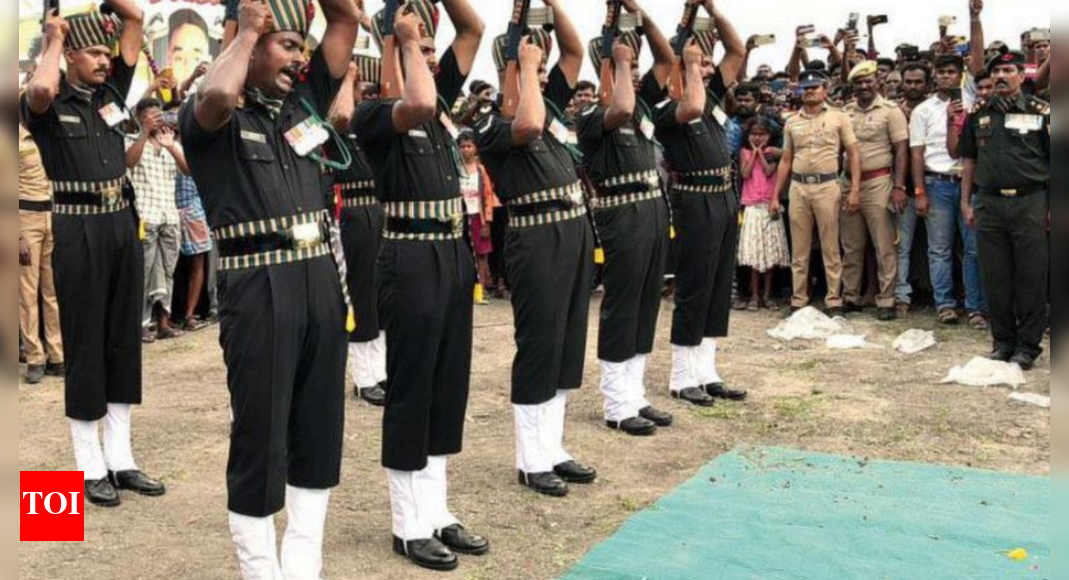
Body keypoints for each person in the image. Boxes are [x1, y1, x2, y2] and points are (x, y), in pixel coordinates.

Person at [179, 0, 360, 577]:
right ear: (250, 47)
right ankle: (261, 570)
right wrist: (249, 26)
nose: (298, 58)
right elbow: (215, 99)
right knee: (261, 431)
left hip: (318, 280)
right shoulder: (211, 114)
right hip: (258, 285)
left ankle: (302, 566)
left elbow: (344, 23)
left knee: (318, 428)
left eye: (299, 48)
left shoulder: (300, 107)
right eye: (286, 44)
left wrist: (291, 33)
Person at [357, 0, 490, 571]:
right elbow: (417, 98)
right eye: (419, 49)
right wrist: (404, 39)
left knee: (447, 386)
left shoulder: (436, 116)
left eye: (433, 52)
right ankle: (408, 524)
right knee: (412, 389)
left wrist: (422, 29)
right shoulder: (380, 115)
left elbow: (474, 28)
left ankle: (436, 509)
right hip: (408, 255)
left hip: (450, 252)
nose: (431, 60)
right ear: (393, 50)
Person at [23, 0, 167, 508]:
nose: (105, 61)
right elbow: (39, 88)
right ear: (68, 57)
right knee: (85, 341)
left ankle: (121, 458)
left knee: (122, 339)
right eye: (92, 53)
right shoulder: (48, 101)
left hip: (120, 220)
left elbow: (134, 21)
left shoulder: (110, 94)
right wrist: (55, 38)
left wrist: (109, 5)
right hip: (77, 224)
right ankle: (87, 467)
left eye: (106, 54)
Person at [477, 0, 600, 498]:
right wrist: (524, 66)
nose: (543, 76)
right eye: (530, 68)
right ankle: (531, 459)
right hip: (535, 236)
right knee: (539, 344)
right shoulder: (490, 124)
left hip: (572, 229)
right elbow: (524, 125)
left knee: (569, 342)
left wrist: (549, 9)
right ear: (507, 71)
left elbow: (573, 50)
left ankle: (554, 447)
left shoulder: (547, 107)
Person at [576, 0, 675, 437]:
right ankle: (616, 402)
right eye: (626, 72)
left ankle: (635, 393)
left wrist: (642, 18)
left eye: (635, 71)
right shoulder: (591, 116)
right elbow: (615, 108)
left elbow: (669, 60)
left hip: (652, 206)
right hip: (621, 210)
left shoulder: (641, 111)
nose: (634, 76)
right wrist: (616, 60)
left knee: (647, 300)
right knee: (623, 302)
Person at [654, 1, 748, 408]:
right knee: (694, 286)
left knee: (717, 286)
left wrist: (711, 9)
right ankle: (681, 376)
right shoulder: (664, 106)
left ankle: (706, 372)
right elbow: (688, 105)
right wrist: (687, 62)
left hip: (724, 196)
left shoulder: (708, 97)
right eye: (699, 63)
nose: (707, 70)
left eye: (708, 64)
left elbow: (738, 50)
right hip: (693, 200)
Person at [960, 50, 1049, 370]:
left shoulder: (1042, 112)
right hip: (990, 204)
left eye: (1007, 71)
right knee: (995, 278)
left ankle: (1027, 346)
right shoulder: (979, 112)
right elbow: (969, 160)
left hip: (1030, 202)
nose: (1000, 76)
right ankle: (1003, 342)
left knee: (1031, 278)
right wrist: (965, 202)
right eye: (996, 71)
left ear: (1021, 75)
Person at [770, 69, 861, 317]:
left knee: (831, 247)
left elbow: (852, 153)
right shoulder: (792, 121)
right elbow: (786, 160)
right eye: (806, 87)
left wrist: (854, 189)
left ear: (825, 89)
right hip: (798, 186)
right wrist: (776, 195)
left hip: (828, 186)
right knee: (799, 249)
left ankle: (834, 299)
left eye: (815, 87)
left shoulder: (839, 117)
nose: (809, 92)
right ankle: (799, 299)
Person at [909, 54, 987, 328]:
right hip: (936, 183)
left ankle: (975, 307)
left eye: (951, 71)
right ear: (935, 76)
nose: (945, 76)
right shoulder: (923, 110)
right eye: (940, 72)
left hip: (970, 183)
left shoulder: (974, 104)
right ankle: (945, 304)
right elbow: (917, 154)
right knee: (939, 249)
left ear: (960, 75)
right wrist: (919, 190)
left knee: (973, 249)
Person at [328, 59, 387, 407]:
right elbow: (340, 117)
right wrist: (348, 76)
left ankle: (377, 370)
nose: (367, 95)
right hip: (352, 211)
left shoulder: (371, 126)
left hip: (378, 210)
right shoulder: (340, 125)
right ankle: (364, 377)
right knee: (362, 292)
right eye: (362, 90)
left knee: (380, 293)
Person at [840, 61, 909, 321]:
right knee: (851, 244)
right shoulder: (845, 112)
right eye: (859, 82)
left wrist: (900, 186)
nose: (864, 86)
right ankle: (850, 296)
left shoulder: (891, 111)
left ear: (877, 82)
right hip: (848, 183)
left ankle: (886, 299)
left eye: (868, 81)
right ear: (853, 86)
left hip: (880, 182)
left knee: (883, 245)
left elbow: (901, 149)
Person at [126, 98, 188, 342]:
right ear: (141, 117)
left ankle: (164, 323)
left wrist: (171, 145)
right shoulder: (132, 141)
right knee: (144, 270)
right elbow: (128, 162)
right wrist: (143, 133)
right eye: (151, 115)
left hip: (169, 216)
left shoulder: (170, 142)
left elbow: (188, 170)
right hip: (145, 217)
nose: (157, 119)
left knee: (168, 271)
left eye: (159, 114)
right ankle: (141, 325)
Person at [18, 120, 64, 385]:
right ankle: (35, 357)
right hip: (25, 218)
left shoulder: (43, 131)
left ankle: (57, 355)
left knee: (52, 292)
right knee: (27, 294)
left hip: (51, 214)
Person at [737, 116, 789, 310]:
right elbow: (745, 174)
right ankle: (754, 295)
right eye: (754, 134)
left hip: (769, 205)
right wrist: (755, 152)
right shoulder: (743, 152)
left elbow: (768, 172)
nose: (757, 137)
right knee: (753, 254)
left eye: (762, 134)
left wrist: (761, 153)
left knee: (770, 254)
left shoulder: (773, 154)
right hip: (751, 206)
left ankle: (768, 295)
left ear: (769, 135)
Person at [893, 63, 931, 316]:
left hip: (935, 185)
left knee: (938, 248)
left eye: (918, 82)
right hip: (902, 189)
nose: (913, 86)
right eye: (909, 81)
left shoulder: (936, 110)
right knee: (902, 247)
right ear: (902, 83)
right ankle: (901, 297)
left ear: (927, 84)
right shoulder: (892, 111)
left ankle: (940, 297)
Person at [458, 129, 499, 304]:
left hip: (478, 216)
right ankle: (462, 290)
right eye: (462, 146)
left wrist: (486, 223)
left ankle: (480, 290)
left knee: (482, 255)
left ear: (475, 148)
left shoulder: (482, 170)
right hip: (459, 217)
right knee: (461, 254)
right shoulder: (455, 168)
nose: (466, 149)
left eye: (469, 145)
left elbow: (488, 196)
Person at [174, 171, 217, 331]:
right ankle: (172, 315)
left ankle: (189, 314)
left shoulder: (191, 150)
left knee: (197, 264)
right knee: (171, 267)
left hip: (195, 209)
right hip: (168, 209)